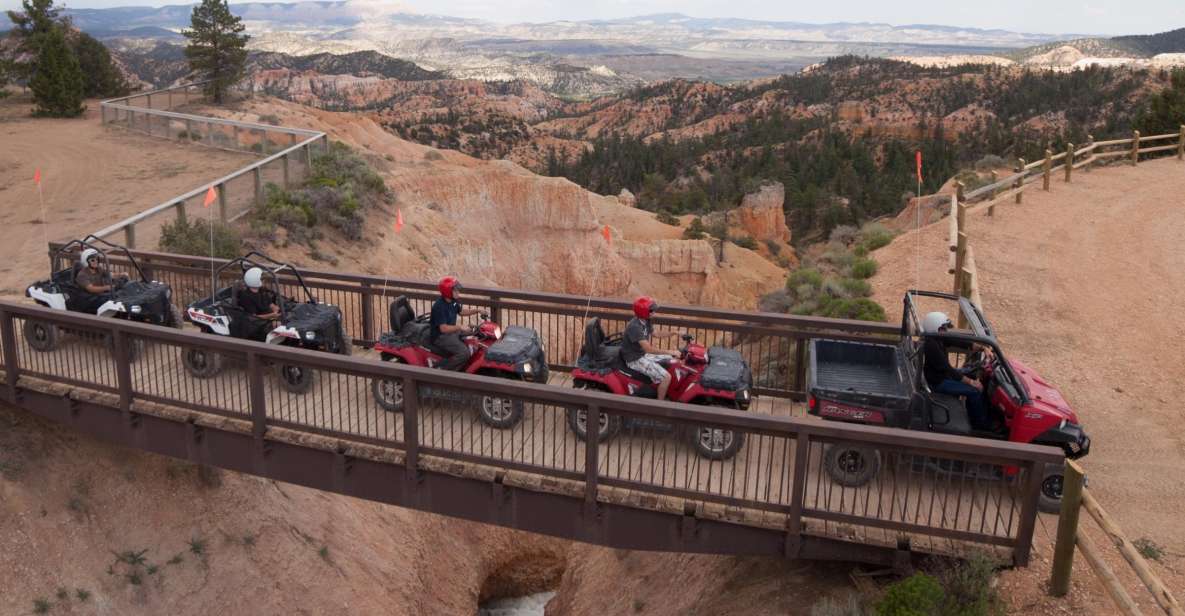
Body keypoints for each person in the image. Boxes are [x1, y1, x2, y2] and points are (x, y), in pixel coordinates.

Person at [921, 311, 995, 431]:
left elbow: (960, 342)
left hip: (942, 376)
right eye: (944, 328)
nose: (946, 330)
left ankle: (975, 413)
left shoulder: (938, 338)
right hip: (938, 383)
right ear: (937, 329)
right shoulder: (931, 346)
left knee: (971, 374)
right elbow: (949, 370)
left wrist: (983, 348)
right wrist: (971, 382)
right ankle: (981, 425)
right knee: (975, 391)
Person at [621, 296, 682, 400]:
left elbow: (657, 334)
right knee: (666, 377)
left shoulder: (646, 321)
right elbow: (648, 349)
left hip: (642, 355)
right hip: (634, 359)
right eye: (651, 310)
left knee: (673, 361)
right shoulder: (635, 327)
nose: (654, 312)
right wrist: (671, 351)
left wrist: (674, 332)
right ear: (644, 312)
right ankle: (659, 405)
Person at [430, 276, 480, 370]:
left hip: (451, 332)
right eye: (456, 290)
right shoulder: (439, 306)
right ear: (448, 292)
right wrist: (460, 327)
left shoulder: (453, 301)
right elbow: (443, 329)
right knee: (464, 353)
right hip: (440, 336)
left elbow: (461, 312)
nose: (458, 292)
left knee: (475, 333)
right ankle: (443, 371)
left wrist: (477, 310)